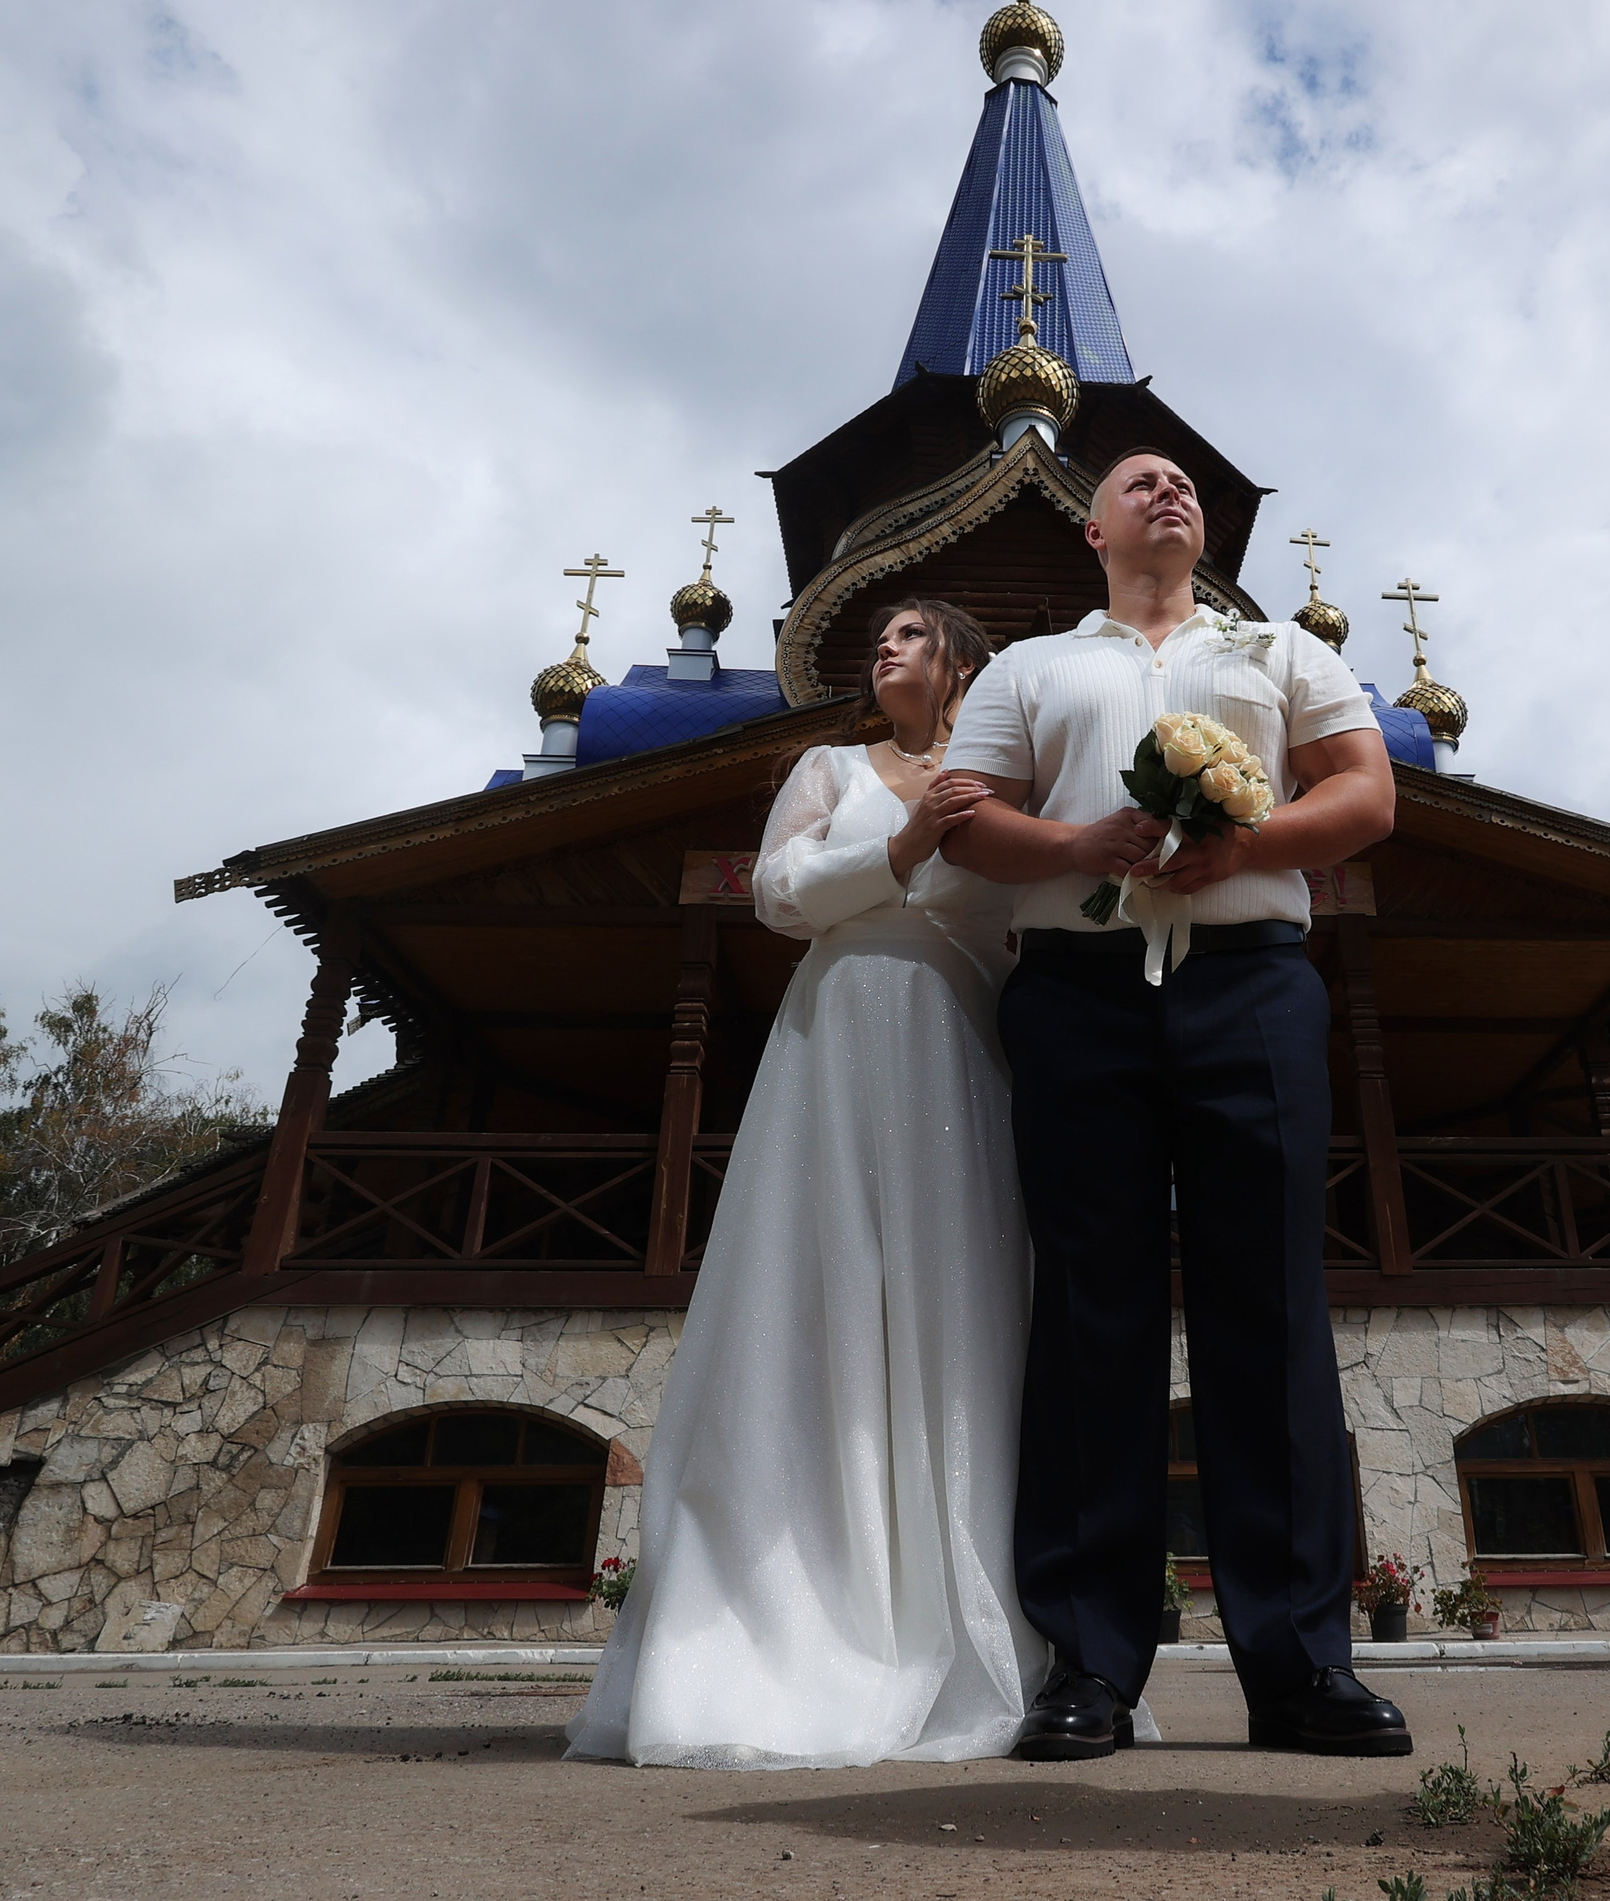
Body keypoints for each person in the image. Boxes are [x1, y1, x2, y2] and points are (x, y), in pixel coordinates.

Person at [944, 449, 1415, 1760]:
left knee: (1265, 1302)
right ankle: (1088, 1665)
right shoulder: (1033, 666)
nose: (1169, 494)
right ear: (1091, 526)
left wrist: (1243, 847)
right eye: (1141, 483)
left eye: (1186, 488)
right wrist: (1076, 847)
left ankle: (1301, 1668)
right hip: (1078, 990)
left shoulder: (1275, 653)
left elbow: (1367, 794)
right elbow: (970, 816)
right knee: (1091, 1309)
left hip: (1251, 982)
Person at [566, 598, 1050, 1769]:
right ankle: (787, 1617)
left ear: (965, 663)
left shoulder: (1015, 784)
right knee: (816, 1293)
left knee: (961, 1318)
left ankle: (969, 1619)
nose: (881, 650)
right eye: (875, 636)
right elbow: (778, 894)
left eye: (910, 635)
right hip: (836, 1037)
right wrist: (901, 843)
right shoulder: (831, 764)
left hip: (958, 1050)